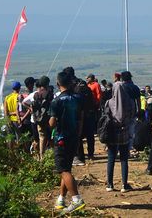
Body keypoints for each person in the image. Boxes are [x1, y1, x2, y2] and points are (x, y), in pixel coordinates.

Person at [49, 71, 85, 214]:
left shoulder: (56, 101)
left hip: (61, 138)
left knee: (63, 170)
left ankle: (76, 199)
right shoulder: (78, 98)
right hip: (74, 137)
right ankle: (61, 199)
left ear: (58, 84)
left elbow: (52, 123)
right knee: (67, 169)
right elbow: (81, 117)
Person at [103, 80, 135, 192]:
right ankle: (124, 185)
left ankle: (110, 185)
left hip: (112, 133)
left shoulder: (109, 102)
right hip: (124, 133)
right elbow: (132, 117)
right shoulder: (130, 102)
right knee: (124, 159)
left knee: (111, 158)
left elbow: (106, 117)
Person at [63, 66, 96, 164]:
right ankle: (91, 154)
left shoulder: (70, 85)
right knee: (90, 135)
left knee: (78, 135)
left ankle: (79, 156)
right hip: (89, 112)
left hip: (77, 114)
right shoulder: (82, 83)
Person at [120, 71, 141, 153]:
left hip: (122, 111)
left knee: (121, 129)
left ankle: (121, 147)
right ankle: (129, 147)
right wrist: (139, 110)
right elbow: (138, 100)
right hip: (132, 111)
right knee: (131, 130)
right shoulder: (135, 87)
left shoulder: (121, 87)